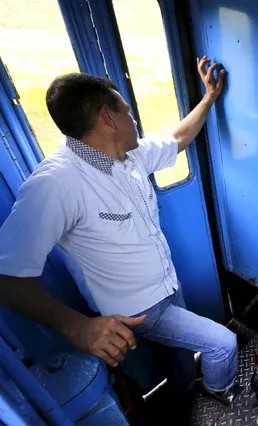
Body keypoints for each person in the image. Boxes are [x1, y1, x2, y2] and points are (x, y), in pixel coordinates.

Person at [0, 56, 242, 406]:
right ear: (108, 117)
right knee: (223, 343)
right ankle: (220, 394)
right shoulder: (56, 184)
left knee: (181, 366)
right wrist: (77, 326)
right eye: (127, 110)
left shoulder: (131, 156)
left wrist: (209, 98)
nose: (134, 118)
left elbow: (178, 138)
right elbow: (6, 275)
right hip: (139, 310)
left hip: (169, 284)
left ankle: (184, 399)